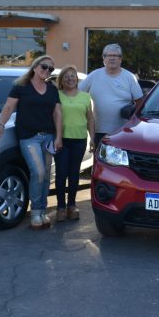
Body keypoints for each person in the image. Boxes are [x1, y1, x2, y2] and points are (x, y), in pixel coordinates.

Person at [0, 56, 62, 230]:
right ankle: (35, 212)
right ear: (34, 67)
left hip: (49, 137)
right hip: (29, 137)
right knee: (38, 172)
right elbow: (8, 107)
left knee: (46, 174)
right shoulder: (21, 87)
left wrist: (58, 137)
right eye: (44, 66)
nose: (47, 70)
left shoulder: (52, 89)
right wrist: (0, 125)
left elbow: (57, 113)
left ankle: (42, 210)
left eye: (50, 69)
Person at [78, 43, 144, 149]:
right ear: (104, 59)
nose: (112, 58)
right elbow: (77, 93)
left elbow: (140, 102)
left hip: (123, 131)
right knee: (100, 158)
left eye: (115, 56)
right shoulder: (94, 75)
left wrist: (133, 123)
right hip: (99, 130)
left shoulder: (129, 77)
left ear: (120, 59)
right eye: (109, 55)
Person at [54, 65, 95, 222]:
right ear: (61, 80)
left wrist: (92, 138)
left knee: (74, 173)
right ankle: (60, 207)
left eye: (73, 76)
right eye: (66, 76)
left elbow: (90, 118)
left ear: (77, 79)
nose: (70, 79)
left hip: (79, 140)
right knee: (61, 173)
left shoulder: (85, 97)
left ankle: (72, 205)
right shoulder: (56, 95)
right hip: (61, 139)